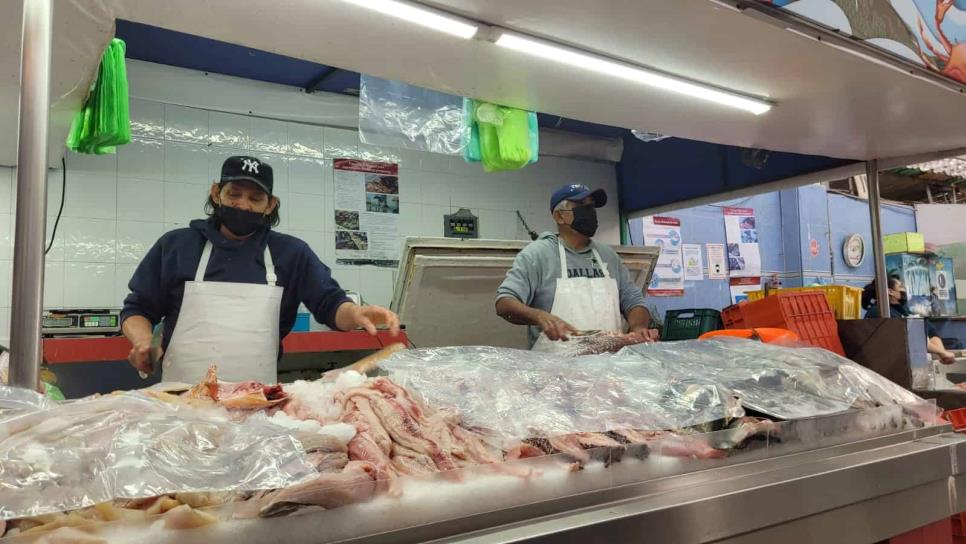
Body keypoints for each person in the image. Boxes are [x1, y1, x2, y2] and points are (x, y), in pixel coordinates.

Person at [121, 156, 400, 384]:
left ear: (270, 205)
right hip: (181, 398)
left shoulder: (291, 253)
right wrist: (143, 340)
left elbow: (329, 304)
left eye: (255, 198)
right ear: (216, 193)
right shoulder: (177, 246)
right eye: (234, 194)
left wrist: (355, 313)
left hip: (259, 401)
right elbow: (137, 309)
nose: (243, 204)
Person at [495, 184, 657, 351]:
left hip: (609, 367)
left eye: (592, 206)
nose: (590, 212)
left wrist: (638, 329)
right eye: (582, 206)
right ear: (559, 217)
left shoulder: (608, 256)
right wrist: (540, 316)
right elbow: (504, 303)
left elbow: (634, 301)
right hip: (556, 369)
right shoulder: (537, 255)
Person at [863, 275, 956, 364]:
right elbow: (910, 338)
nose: (905, 290)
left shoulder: (903, 311)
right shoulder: (879, 312)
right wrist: (942, 353)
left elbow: (930, 330)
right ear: (890, 292)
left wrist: (942, 352)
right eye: (901, 286)